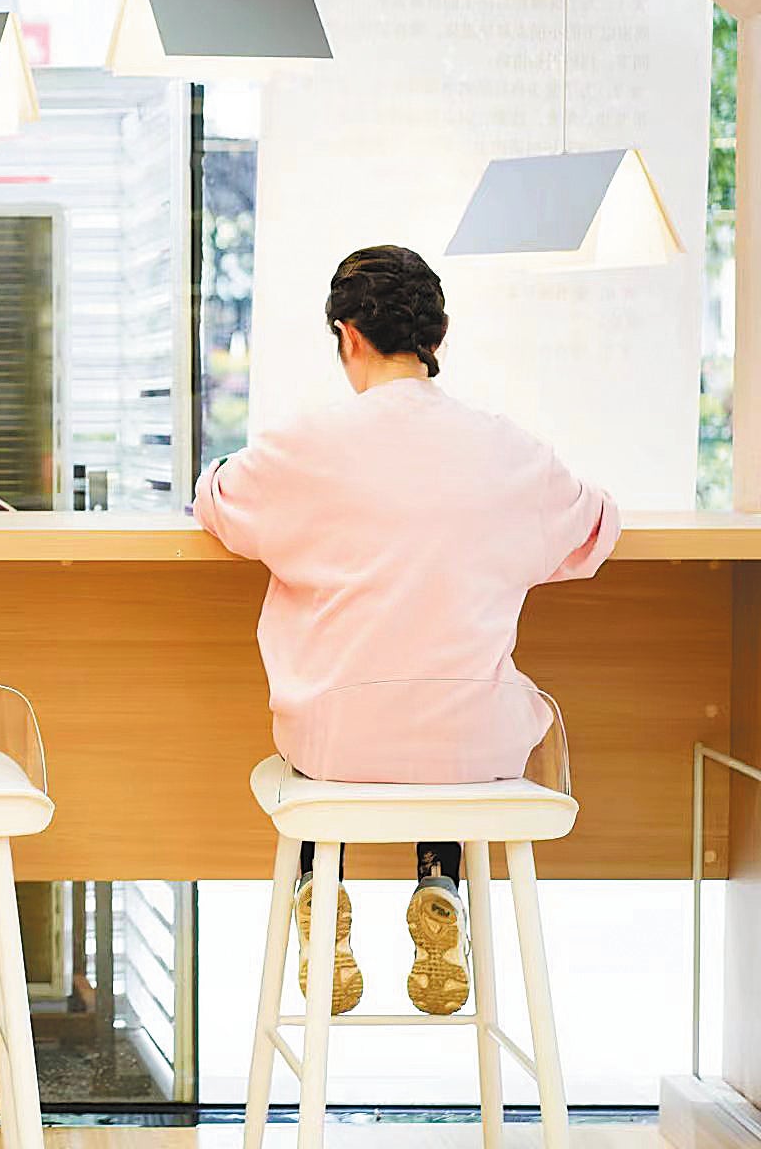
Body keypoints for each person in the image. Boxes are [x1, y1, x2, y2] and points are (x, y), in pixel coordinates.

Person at [192, 244, 619, 1017]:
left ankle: (323, 884)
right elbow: (593, 526)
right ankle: (440, 886)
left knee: (347, 721)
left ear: (348, 335)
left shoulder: (307, 445)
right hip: (474, 744)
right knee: (447, 714)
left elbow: (219, 504)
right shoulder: (507, 446)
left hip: (338, 741)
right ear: (438, 335)